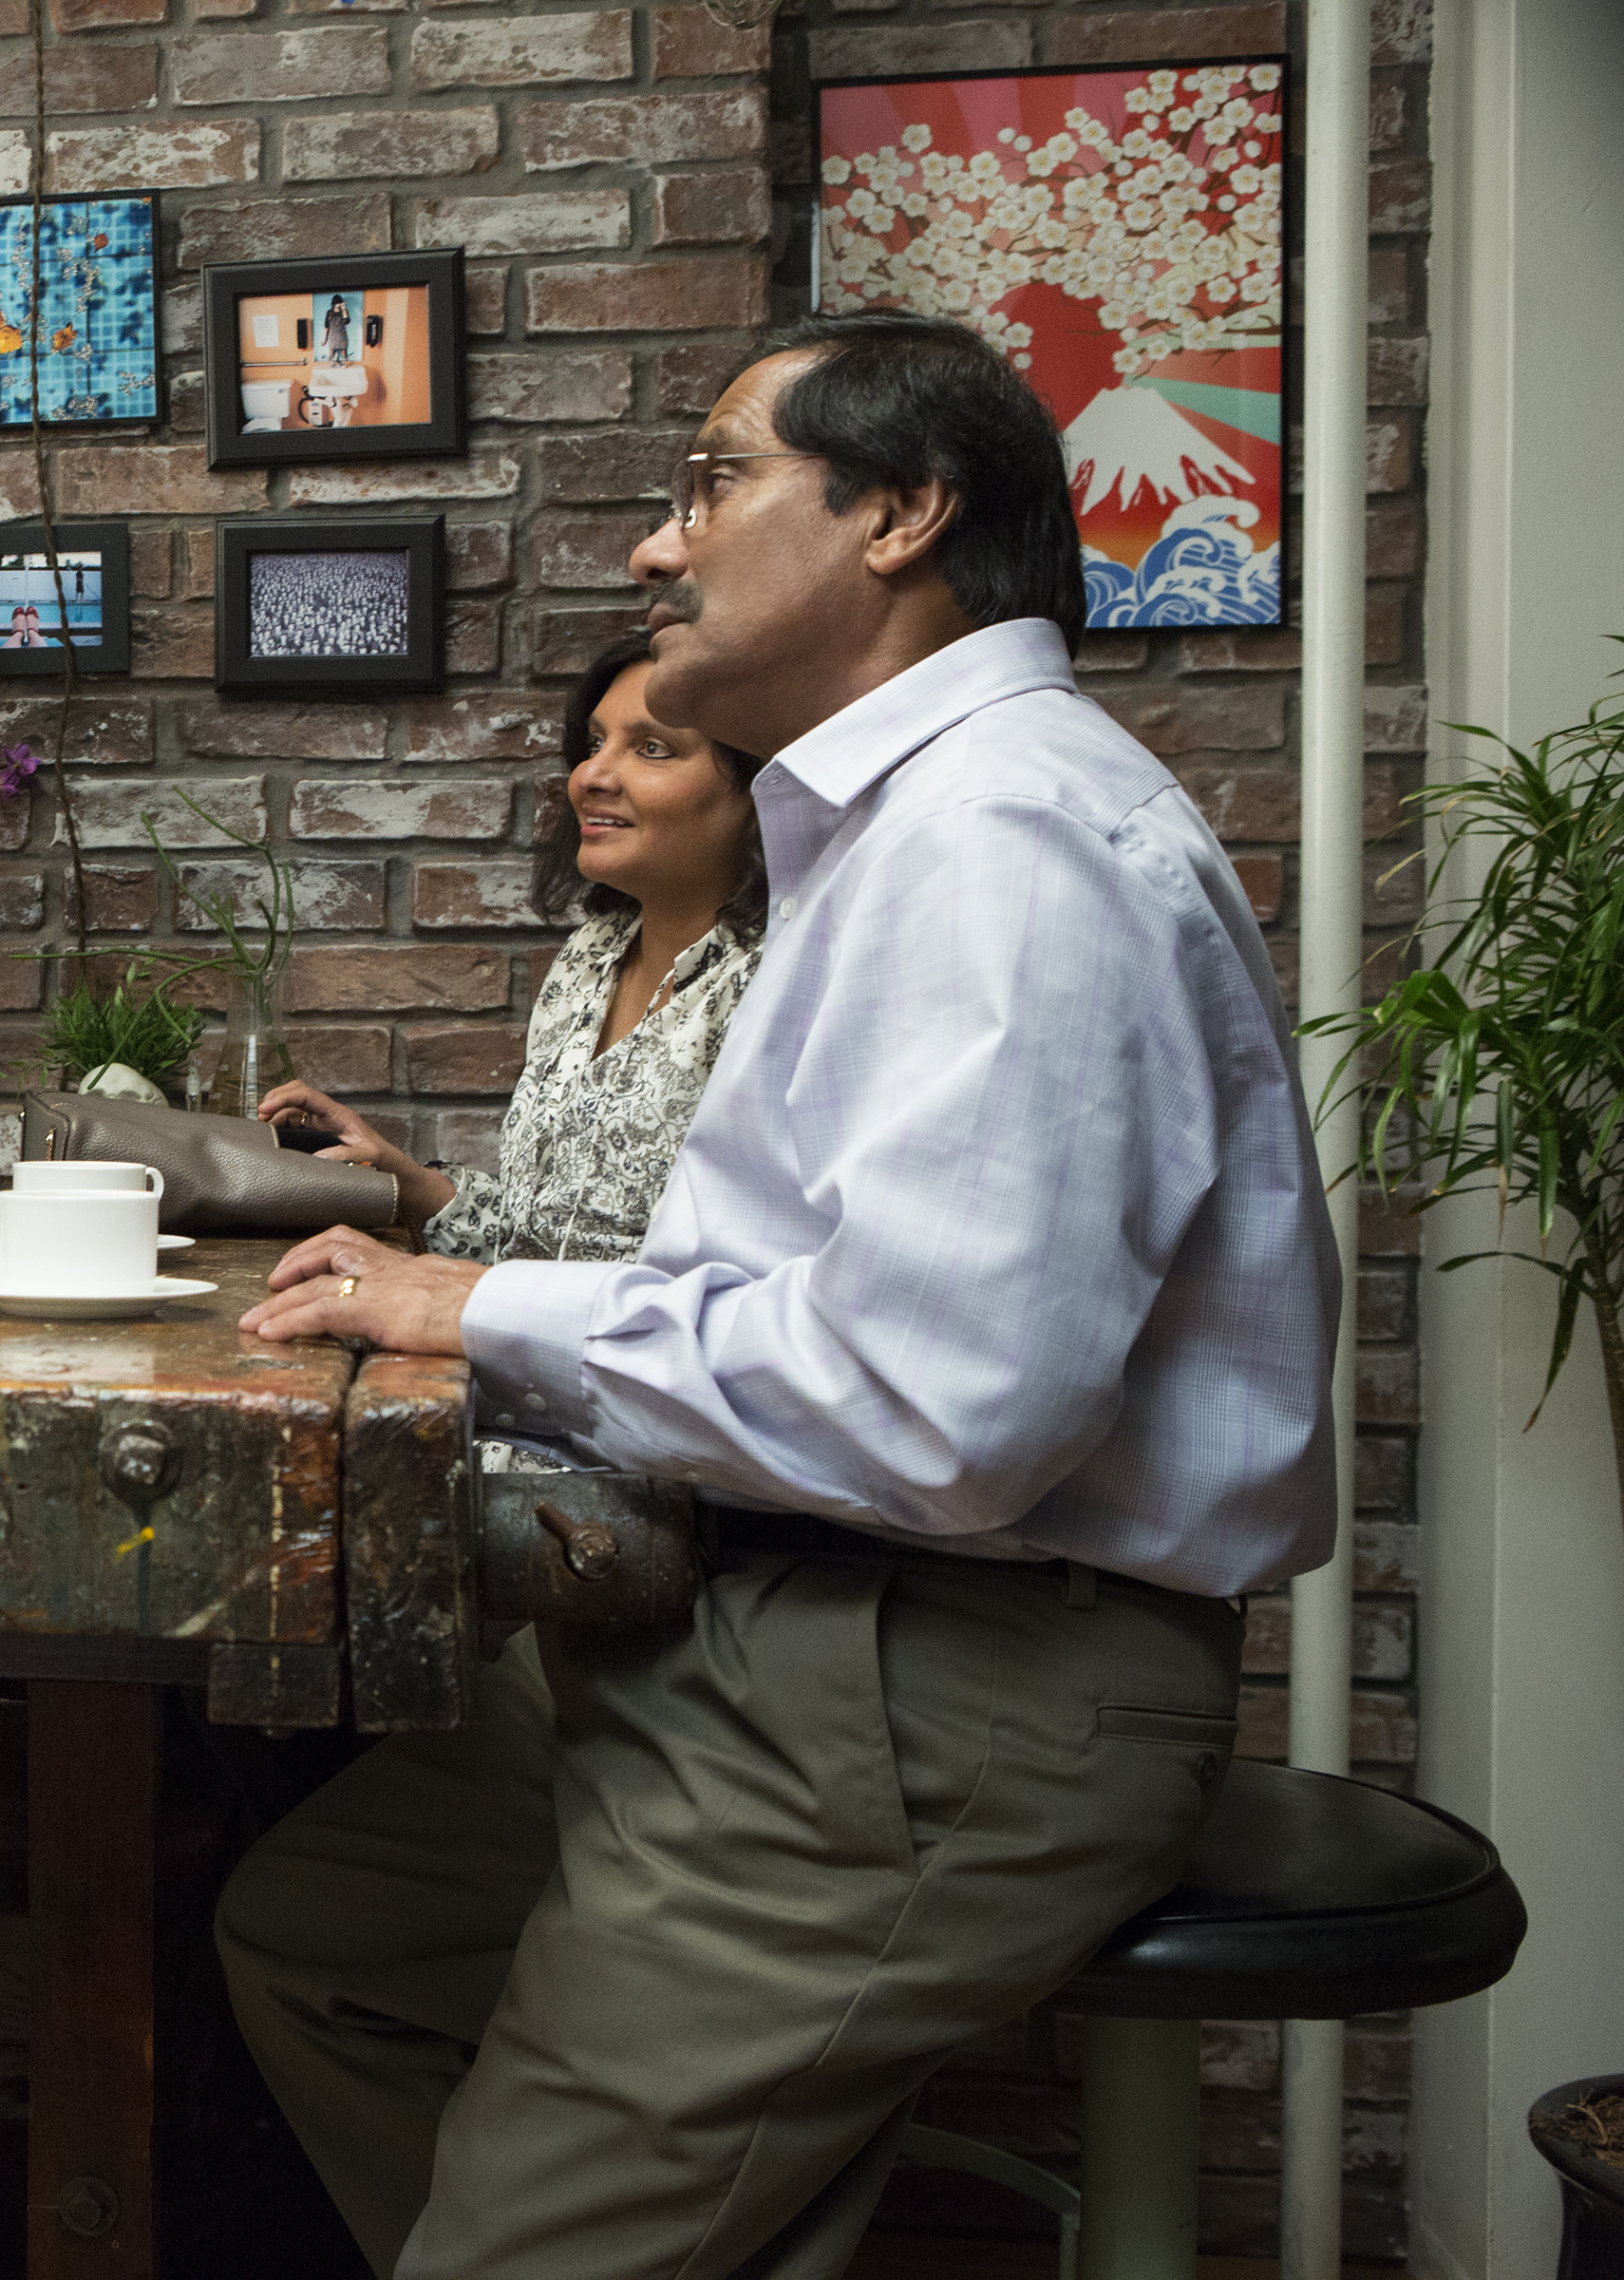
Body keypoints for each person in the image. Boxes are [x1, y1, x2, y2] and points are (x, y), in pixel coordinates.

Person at [222, 311, 1340, 2278]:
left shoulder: (1007, 842)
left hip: (940, 1674)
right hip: (781, 1611)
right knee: (322, 1940)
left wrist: (475, 1309)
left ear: (903, 513)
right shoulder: (901, 823)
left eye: (713, 478)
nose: (663, 546)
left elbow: (933, 1411)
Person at [256, 629, 765, 1334]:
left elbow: (750, 1306)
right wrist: (406, 1182)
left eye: (652, 748)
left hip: (626, 1424)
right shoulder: (591, 957)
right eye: (594, 744)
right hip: (506, 1397)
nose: (591, 776)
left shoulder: (773, 985)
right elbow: (540, 1240)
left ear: (763, 786)